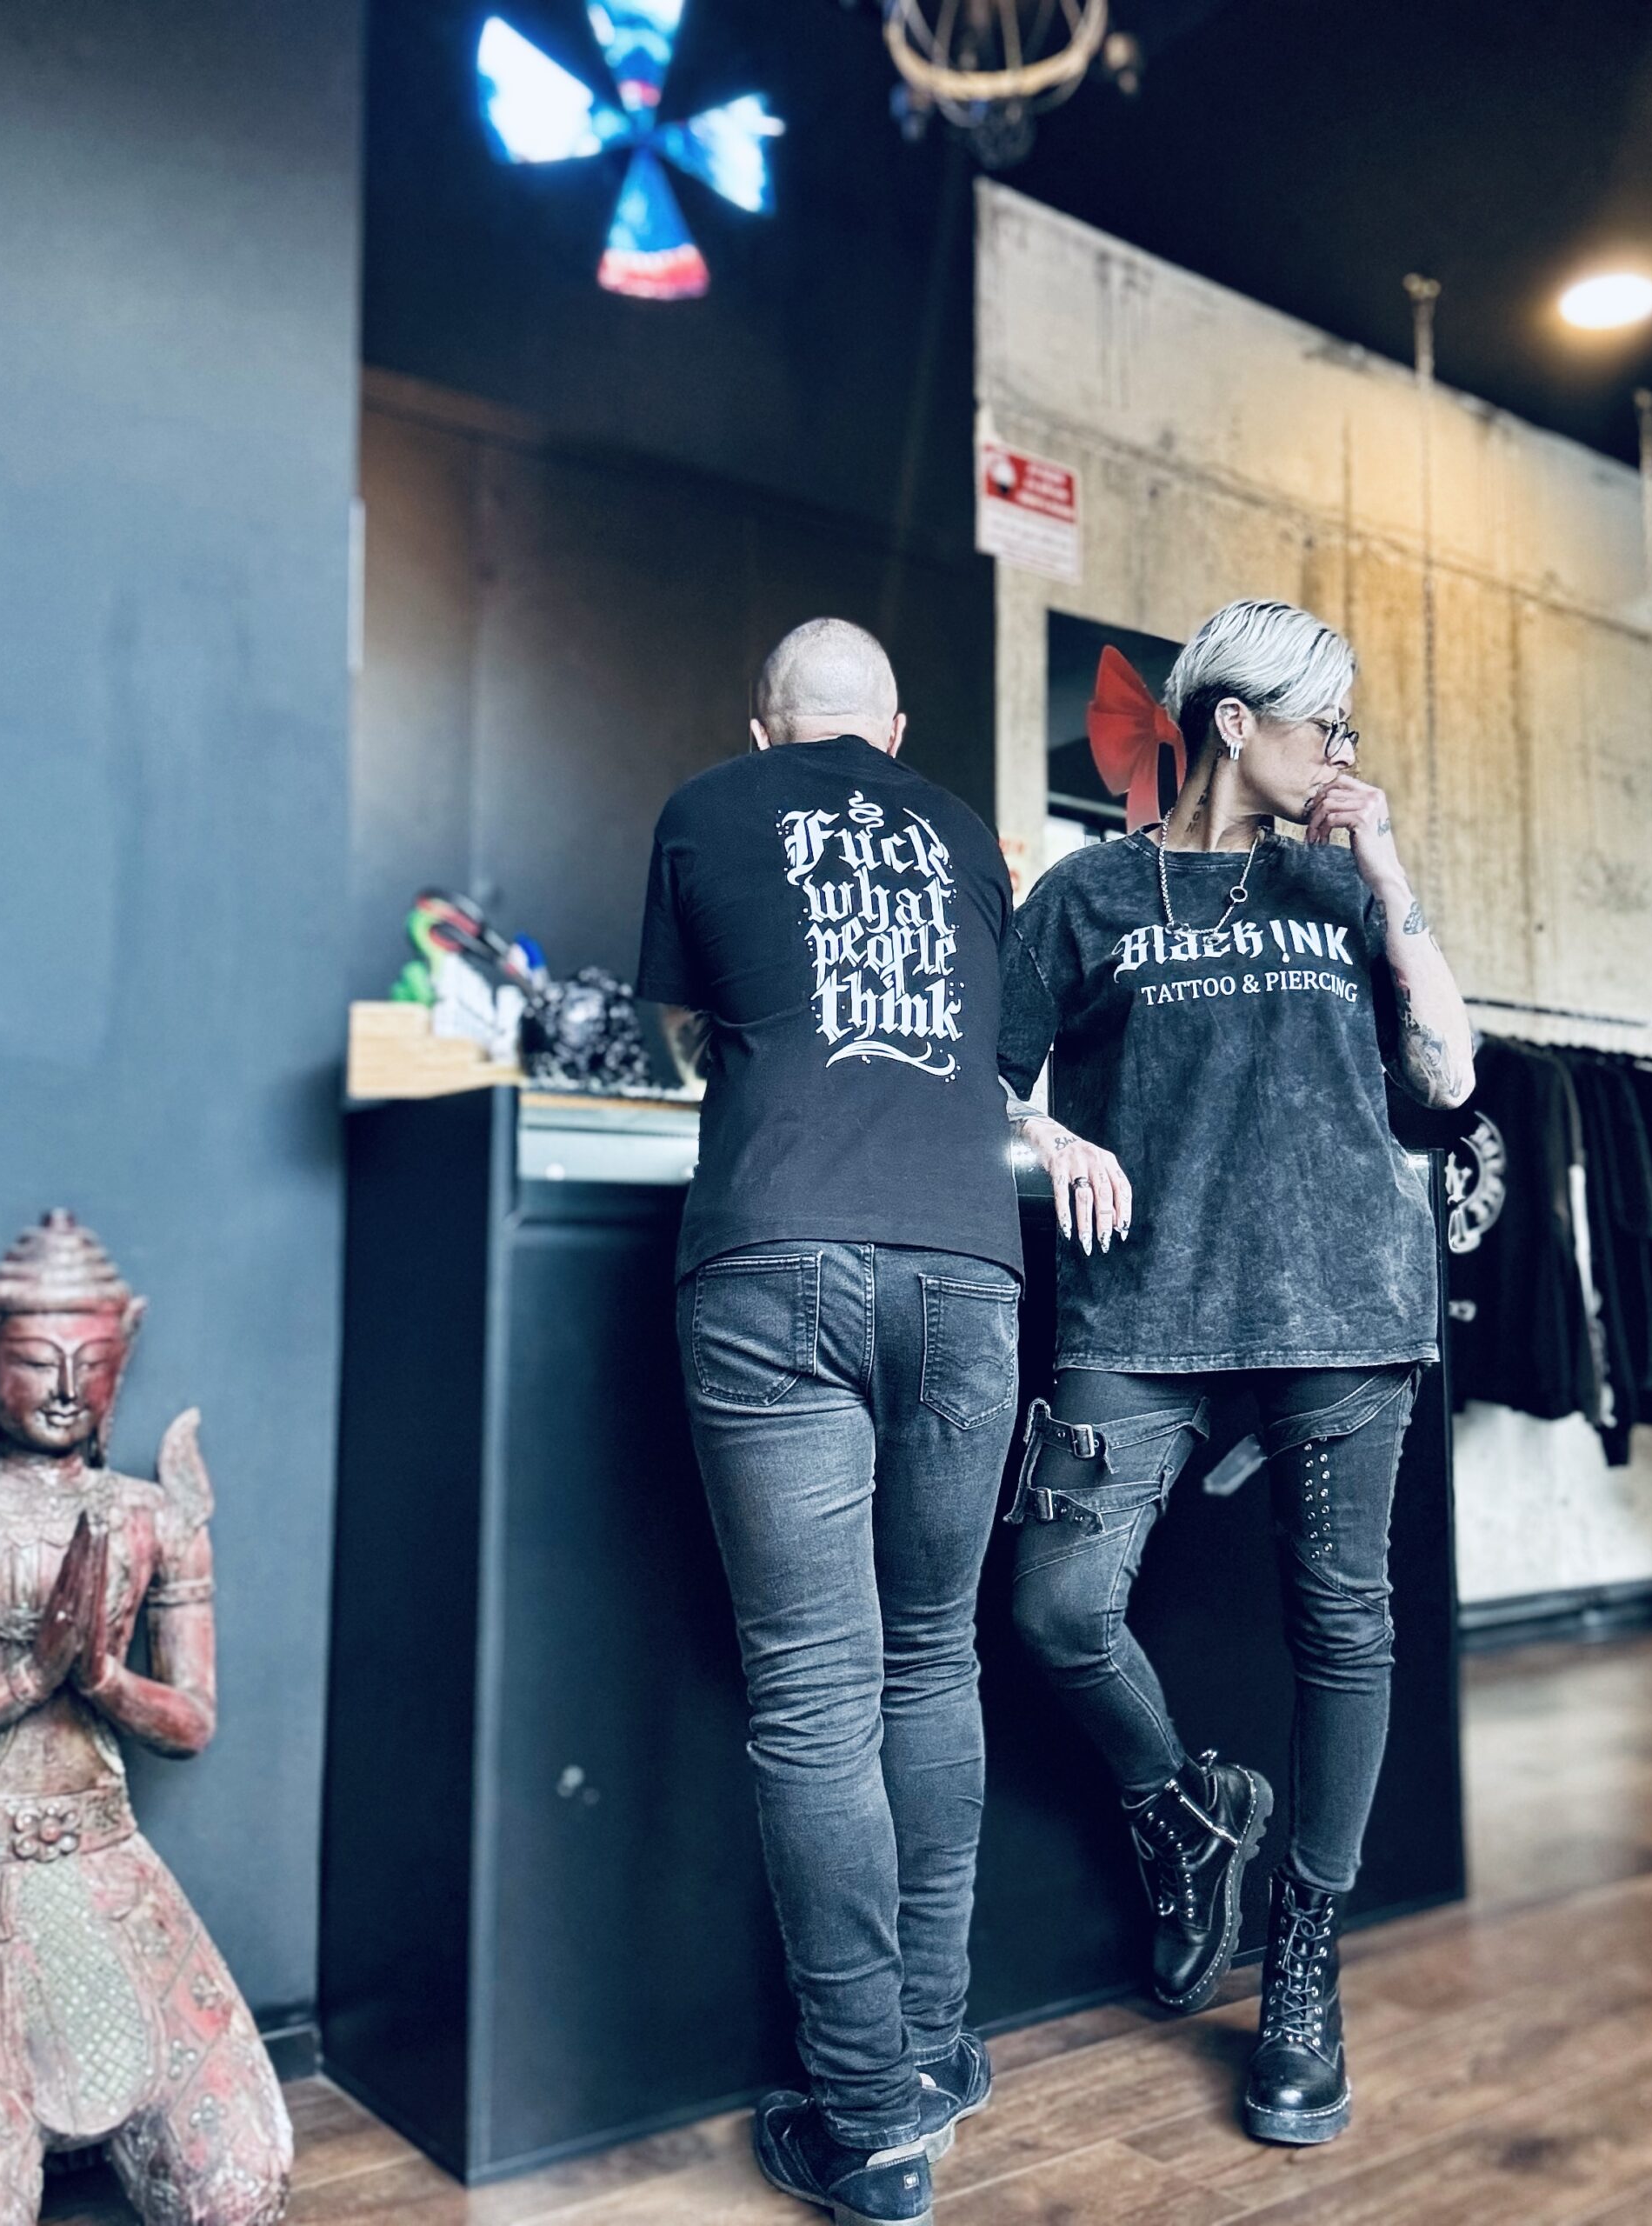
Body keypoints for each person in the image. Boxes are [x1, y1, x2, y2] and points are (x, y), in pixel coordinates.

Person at [999, 598, 1473, 2147]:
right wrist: (1051, 1132)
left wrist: (1386, 868)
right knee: (1058, 1609)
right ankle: (1187, 1811)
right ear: (1231, 725)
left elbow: (1449, 1078)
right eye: (1321, 726)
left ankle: (1305, 1959)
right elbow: (984, 1081)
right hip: (1141, 1306)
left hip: (1345, 1302)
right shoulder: (1084, 894)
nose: (1340, 753)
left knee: (1343, 1625)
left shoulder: (1339, 883)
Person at [636, 619, 1024, 2226]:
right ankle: (930, 2052)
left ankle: (867, 2123)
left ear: (764, 725)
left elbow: (684, 1039)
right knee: (933, 1658)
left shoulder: (705, 806)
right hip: (968, 1268)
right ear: (896, 729)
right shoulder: (970, 836)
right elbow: (993, 1058)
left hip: (774, 1250)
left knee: (817, 1694)